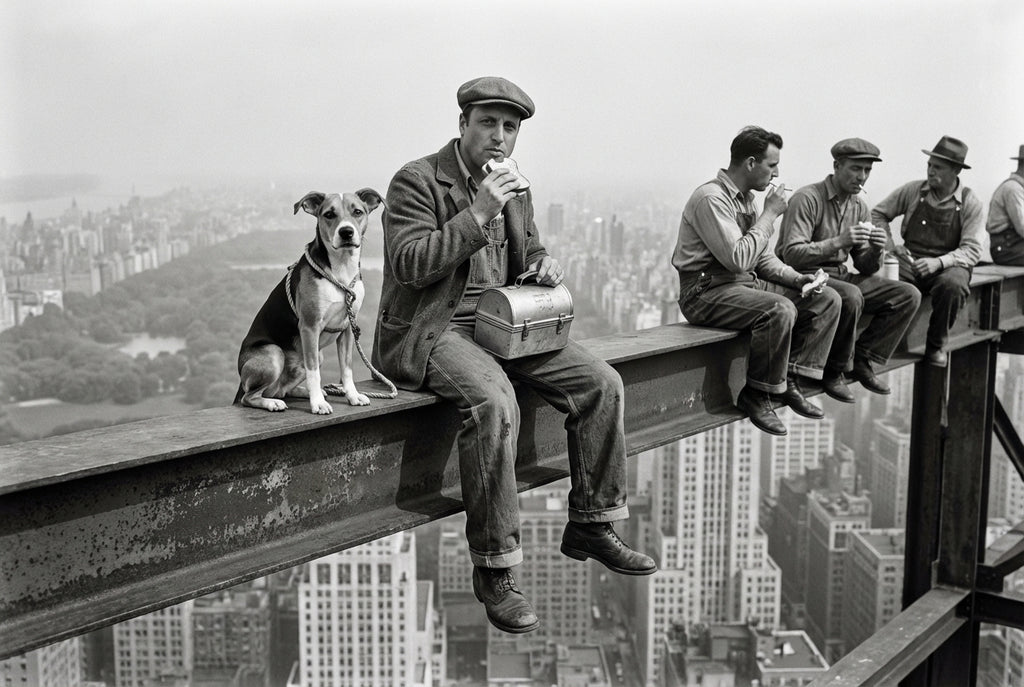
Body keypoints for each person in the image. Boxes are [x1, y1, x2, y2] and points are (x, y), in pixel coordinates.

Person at [372, 76, 656, 635]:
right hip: (434, 329)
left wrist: (543, 266)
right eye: (488, 124)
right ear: (462, 125)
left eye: (510, 127)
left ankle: (592, 522)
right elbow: (410, 264)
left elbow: (531, 250)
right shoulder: (416, 181)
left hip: (504, 321)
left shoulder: (515, 188)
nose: (499, 138)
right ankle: (495, 569)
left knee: (602, 383)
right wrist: (477, 213)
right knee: (495, 403)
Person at [672, 125, 841, 437]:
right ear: (750, 163)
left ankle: (789, 380)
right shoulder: (712, 198)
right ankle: (757, 394)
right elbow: (738, 258)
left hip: (742, 285)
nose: (775, 174)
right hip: (705, 290)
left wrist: (797, 277)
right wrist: (770, 215)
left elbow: (760, 259)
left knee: (826, 298)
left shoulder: (747, 200)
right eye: (771, 165)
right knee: (779, 310)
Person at [776, 138, 921, 396]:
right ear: (837, 165)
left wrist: (876, 249)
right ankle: (834, 371)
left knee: (908, 294)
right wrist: (838, 242)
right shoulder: (807, 198)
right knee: (851, 296)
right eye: (856, 169)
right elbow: (792, 255)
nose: (862, 177)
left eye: (867, 171)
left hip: (839, 277)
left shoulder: (859, 207)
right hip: (802, 277)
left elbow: (865, 267)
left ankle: (864, 359)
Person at [871, 136, 984, 367]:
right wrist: (890, 248)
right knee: (882, 283)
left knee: (953, 286)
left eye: (938, 167)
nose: (931, 172)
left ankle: (936, 345)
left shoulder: (970, 202)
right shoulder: (914, 190)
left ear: (955, 171)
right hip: (911, 260)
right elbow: (878, 214)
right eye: (929, 166)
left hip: (950, 266)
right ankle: (874, 348)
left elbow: (972, 250)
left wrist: (939, 262)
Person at [987, 145, 1024, 265]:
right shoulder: (1013, 189)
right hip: (1006, 249)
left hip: (1013, 246)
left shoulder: (1018, 188)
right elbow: (1022, 228)